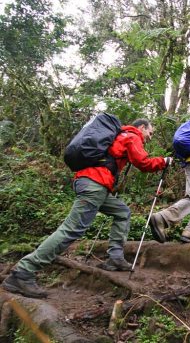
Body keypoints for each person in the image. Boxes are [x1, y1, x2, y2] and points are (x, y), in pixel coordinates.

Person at [1, 118, 173, 298]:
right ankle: (23, 272)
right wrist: (163, 161)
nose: (149, 137)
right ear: (141, 127)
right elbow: (143, 162)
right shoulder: (132, 135)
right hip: (94, 184)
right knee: (72, 230)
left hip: (93, 183)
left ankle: (115, 257)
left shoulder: (119, 136)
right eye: (150, 133)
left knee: (122, 212)